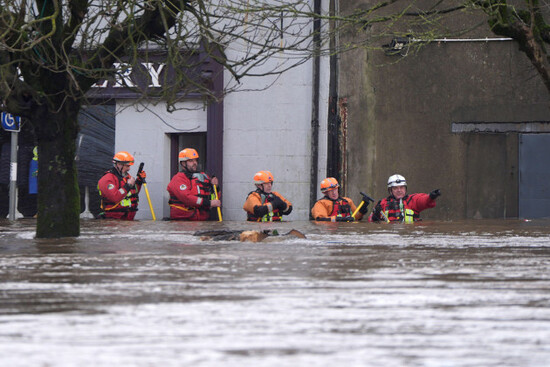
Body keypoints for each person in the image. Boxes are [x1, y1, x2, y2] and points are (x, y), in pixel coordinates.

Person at [167, 148, 221, 221]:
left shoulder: (203, 176)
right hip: (183, 220)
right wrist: (209, 203)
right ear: (183, 163)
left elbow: (212, 197)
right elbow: (187, 198)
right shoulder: (178, 179)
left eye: (195, 160)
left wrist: (216, 187)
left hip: (202, 220)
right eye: (191, 161)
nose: (195, 163)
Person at [369, 174, 441, 223]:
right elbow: (370, 221)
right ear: (390, 190)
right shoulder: (382, 204)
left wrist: (431, 197)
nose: (399, 190)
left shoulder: (412, 200)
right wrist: (375, 217)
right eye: (395, 188)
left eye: (401, 187)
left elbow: (423, 200)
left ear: (405, 188)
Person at [97, 151, 146, 220]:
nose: (129, 169)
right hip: (113, 220)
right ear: (119, 164)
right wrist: (128, 185)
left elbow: (132, 193)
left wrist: (139, 181)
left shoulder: (126, 177)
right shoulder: (107, 179)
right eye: (127, 166)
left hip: (128, 219)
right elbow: (115, 198)